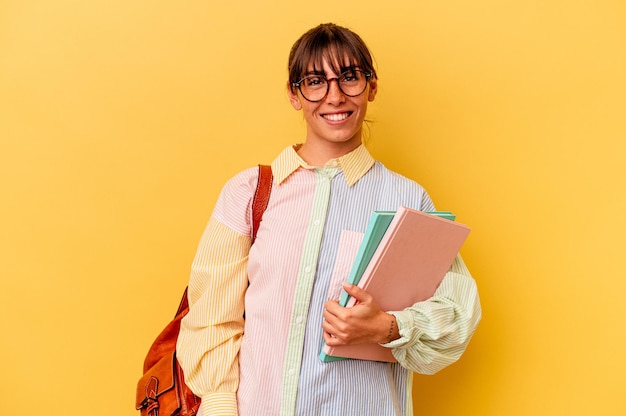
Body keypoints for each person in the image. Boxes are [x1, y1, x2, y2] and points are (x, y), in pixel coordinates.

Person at [176, 22, 481, 416]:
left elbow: (458, 315)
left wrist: (387, 327)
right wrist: (219, 405)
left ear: (371, 87)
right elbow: (211, 319)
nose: (334, 97)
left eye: (349, 78)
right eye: (316, 81)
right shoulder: (248, 192)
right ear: (294, 94)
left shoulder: (408, 199)